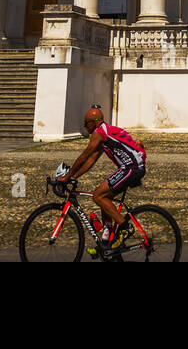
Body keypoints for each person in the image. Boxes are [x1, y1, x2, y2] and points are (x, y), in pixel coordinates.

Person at [55, 105, 146, 250]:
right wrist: (75, 177)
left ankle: (125, 226)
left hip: (131, 167)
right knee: (104, 196)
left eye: (87, 123)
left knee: (98, 196)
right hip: (131, 167)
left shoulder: (99, 132)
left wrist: (67, 176)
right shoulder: (104, 134)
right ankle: (107, 238)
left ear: (95, 121)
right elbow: (91, 160)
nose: (85, 126)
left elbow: (85, 155)